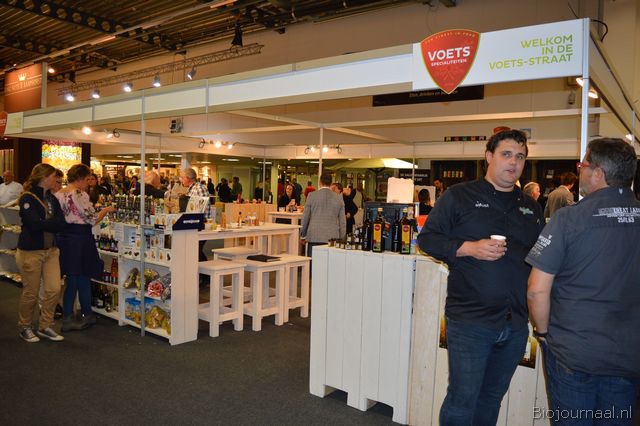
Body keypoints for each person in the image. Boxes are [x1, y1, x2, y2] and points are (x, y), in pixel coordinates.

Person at [418, 129, 544, 425]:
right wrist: (468, 248)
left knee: (491, 399)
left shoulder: (531, 207)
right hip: (470, 322)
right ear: (489, 157)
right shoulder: (459, 196)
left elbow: (540, 258)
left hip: (515, 324)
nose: (513, 162)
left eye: (520, 156)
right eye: (506, 154)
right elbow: (428, 240)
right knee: (462, 399)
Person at [526, 138, 640, 424]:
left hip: (574, 352)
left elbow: (537, 290)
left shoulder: (569, 219)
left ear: (598, 172)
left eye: (583, 165)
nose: (580, 171)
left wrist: (542, 332)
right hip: (628, 355)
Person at [56, 164, 116, 331]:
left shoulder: (59, 194)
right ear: (80, 178)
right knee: (82, 277)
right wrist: (106, 210)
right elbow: (92, 219)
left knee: (71, 279)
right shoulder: (79, 194)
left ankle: (69, 316)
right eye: (87, 179)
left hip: (65, 238)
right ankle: (85, 315)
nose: (89, 182)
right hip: (80, 238)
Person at [16, 164, 68, 342]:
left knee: (54, 289)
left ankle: (45, 325)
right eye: (54, 176)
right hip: (31, 252)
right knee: (31, 292)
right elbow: (34, 225)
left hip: (51, 251)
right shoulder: (27, 197)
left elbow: (62, 223)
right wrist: (53, 223)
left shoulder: (52, 198)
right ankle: (25, 326)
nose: (57, 180)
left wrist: (49, 223)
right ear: (44, 177)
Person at [300, 172, 346, 258]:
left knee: (313, 263)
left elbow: (305, 217)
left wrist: (302, 235)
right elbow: (342, 222)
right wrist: (342, 239)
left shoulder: (311, 196)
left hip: (314, 236)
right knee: (329, 264)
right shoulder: (339, 199)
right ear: (331, 183)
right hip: (332, 238)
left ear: (319, 182)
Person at [179, 168, 211, 261]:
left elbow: (200, 209)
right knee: (195, 250)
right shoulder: (194, 188)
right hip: (196, 223)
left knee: (196, 251)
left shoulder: (198, 189)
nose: (181, 180)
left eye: (182, 177)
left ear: (188, 178)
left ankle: (204, 270)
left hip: (199, 225)